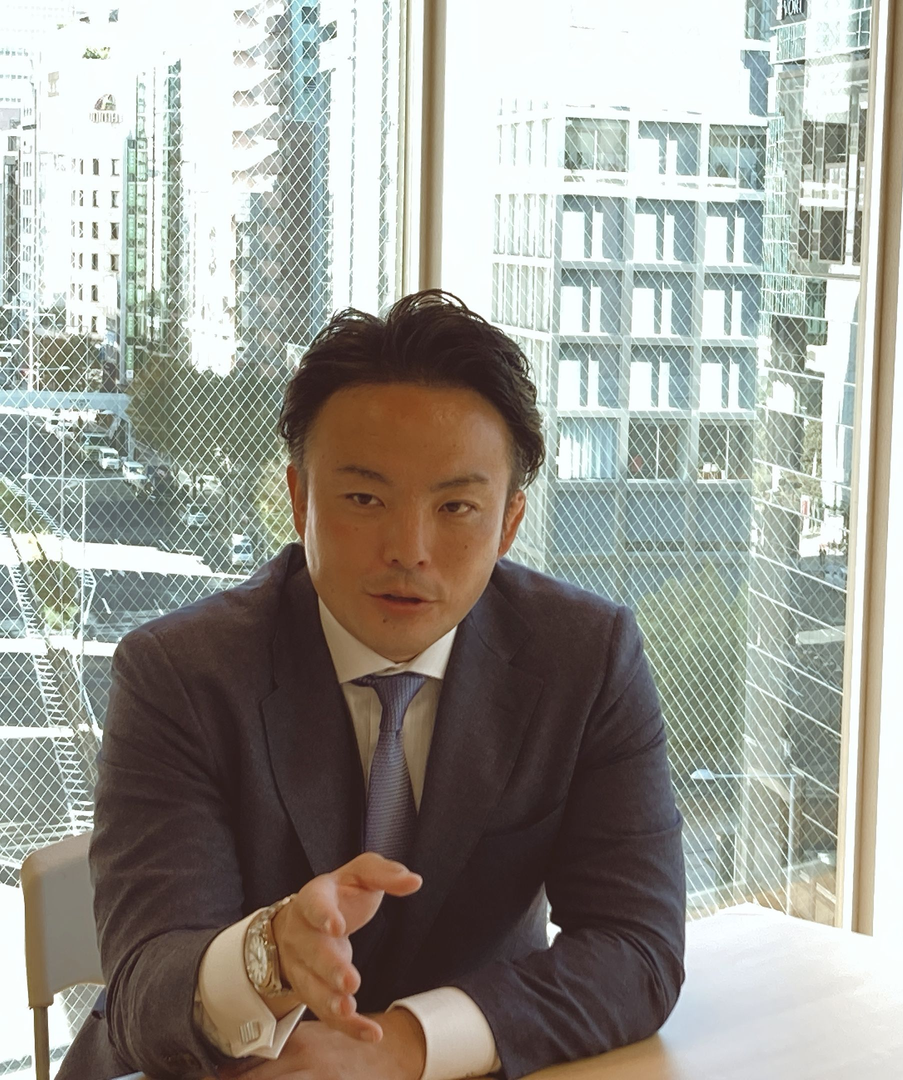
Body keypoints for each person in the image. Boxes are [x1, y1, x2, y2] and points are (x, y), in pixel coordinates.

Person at [58, 291, 687, 1080]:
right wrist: (270, 956)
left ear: (509, 523)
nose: (408, 548)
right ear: (299, 499)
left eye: (456, 506)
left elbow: (637, 948)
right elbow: (147, 989)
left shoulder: (586, 659)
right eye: (364, 498)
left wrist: (402, 1044)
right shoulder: (180, 674)